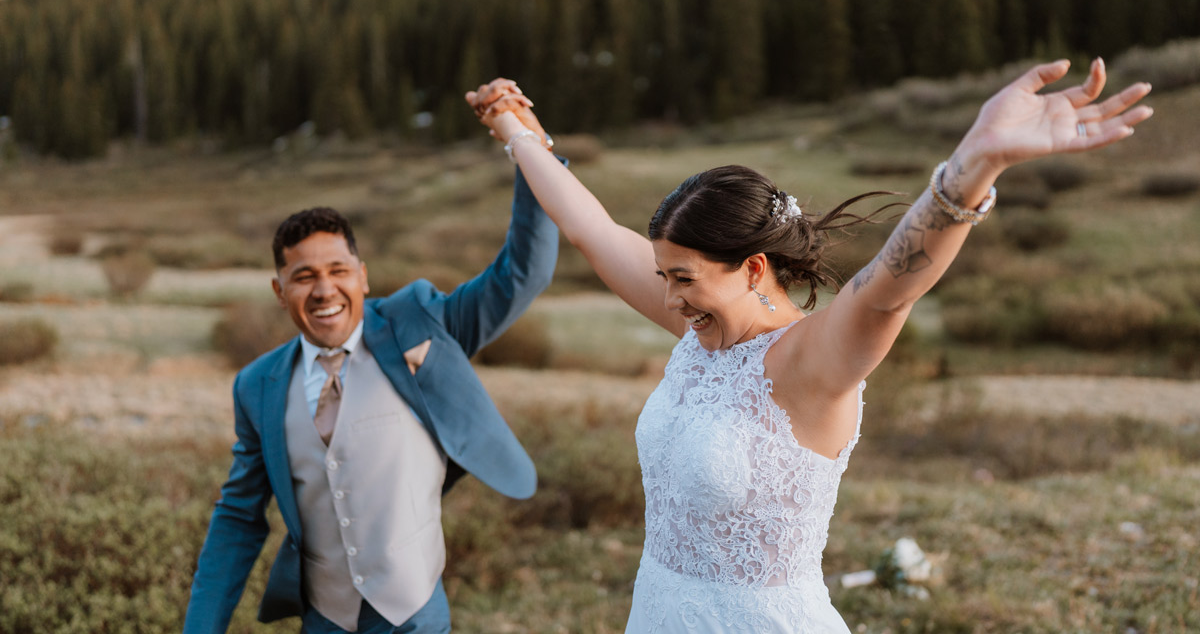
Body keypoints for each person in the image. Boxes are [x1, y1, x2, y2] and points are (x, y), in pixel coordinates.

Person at [467, 59, 1152, 633]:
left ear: (753, 270)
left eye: (684, 279)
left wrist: (975, 164)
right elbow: (587, 226)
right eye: (661, 277)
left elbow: (889, 289)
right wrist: (514, 125)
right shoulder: (699, 335)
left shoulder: (812, 363)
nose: (669, 299)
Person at [183, 153, 561, 634]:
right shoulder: (258, 384)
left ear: (362, 275)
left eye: (338, 270)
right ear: (280, 291)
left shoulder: (421, 323)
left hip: (414, 613)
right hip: (325, 616)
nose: (324, 290)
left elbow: (523, 274)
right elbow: (238, 516)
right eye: (303, 277)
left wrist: (528, 148)